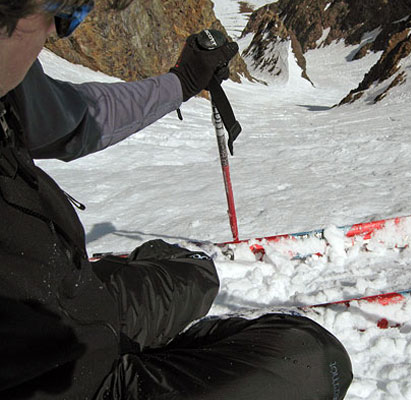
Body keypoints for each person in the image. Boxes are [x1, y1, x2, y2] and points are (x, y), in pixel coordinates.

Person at [0, 1, 353, 399]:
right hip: (72, 379)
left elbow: (80, 118)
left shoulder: (8, 88)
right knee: (317, 360)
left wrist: (183, 81)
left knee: (196, 270)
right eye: (63, 11)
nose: (57, 31)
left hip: (78, 297)